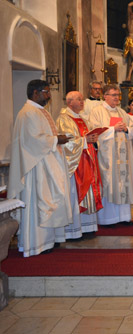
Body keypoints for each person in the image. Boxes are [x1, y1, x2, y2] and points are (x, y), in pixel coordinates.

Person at [8, 79, 72, 257]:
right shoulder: (28, 113)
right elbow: (32, 141)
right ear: (35, 93)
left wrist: (56, 140)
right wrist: (56, 139)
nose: (49, 95)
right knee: (39, 203)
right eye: (46, 91)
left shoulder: (40, 111)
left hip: (46, 164)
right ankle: (36, 243)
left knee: (50, 200)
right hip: (35, 167)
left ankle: (49, 240)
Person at [89, 84, 133, 227]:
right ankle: (108, 219)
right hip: (108, 157)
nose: (117, 98)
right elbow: (94, 131)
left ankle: (123, 217)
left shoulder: (122, 112)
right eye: (114, 95)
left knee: (124, 184)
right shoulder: (97, 112)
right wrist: (112, 129)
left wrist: (127, 129)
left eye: (118, 95)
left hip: (124, 157)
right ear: (105, 96)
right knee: (110, 184)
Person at [56, 91, 103, 241]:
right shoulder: (63, 119)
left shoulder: (83, 118)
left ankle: (88, 227)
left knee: (89, 191)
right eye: (79, 99)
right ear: (69, 102)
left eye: (82, 99)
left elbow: (88, 137)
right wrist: (84, 140)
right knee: (75, 194)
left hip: (87, 161)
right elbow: (65, 142)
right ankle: (74, 230)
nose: (82, 102)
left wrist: (94, 140)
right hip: (75, 165)